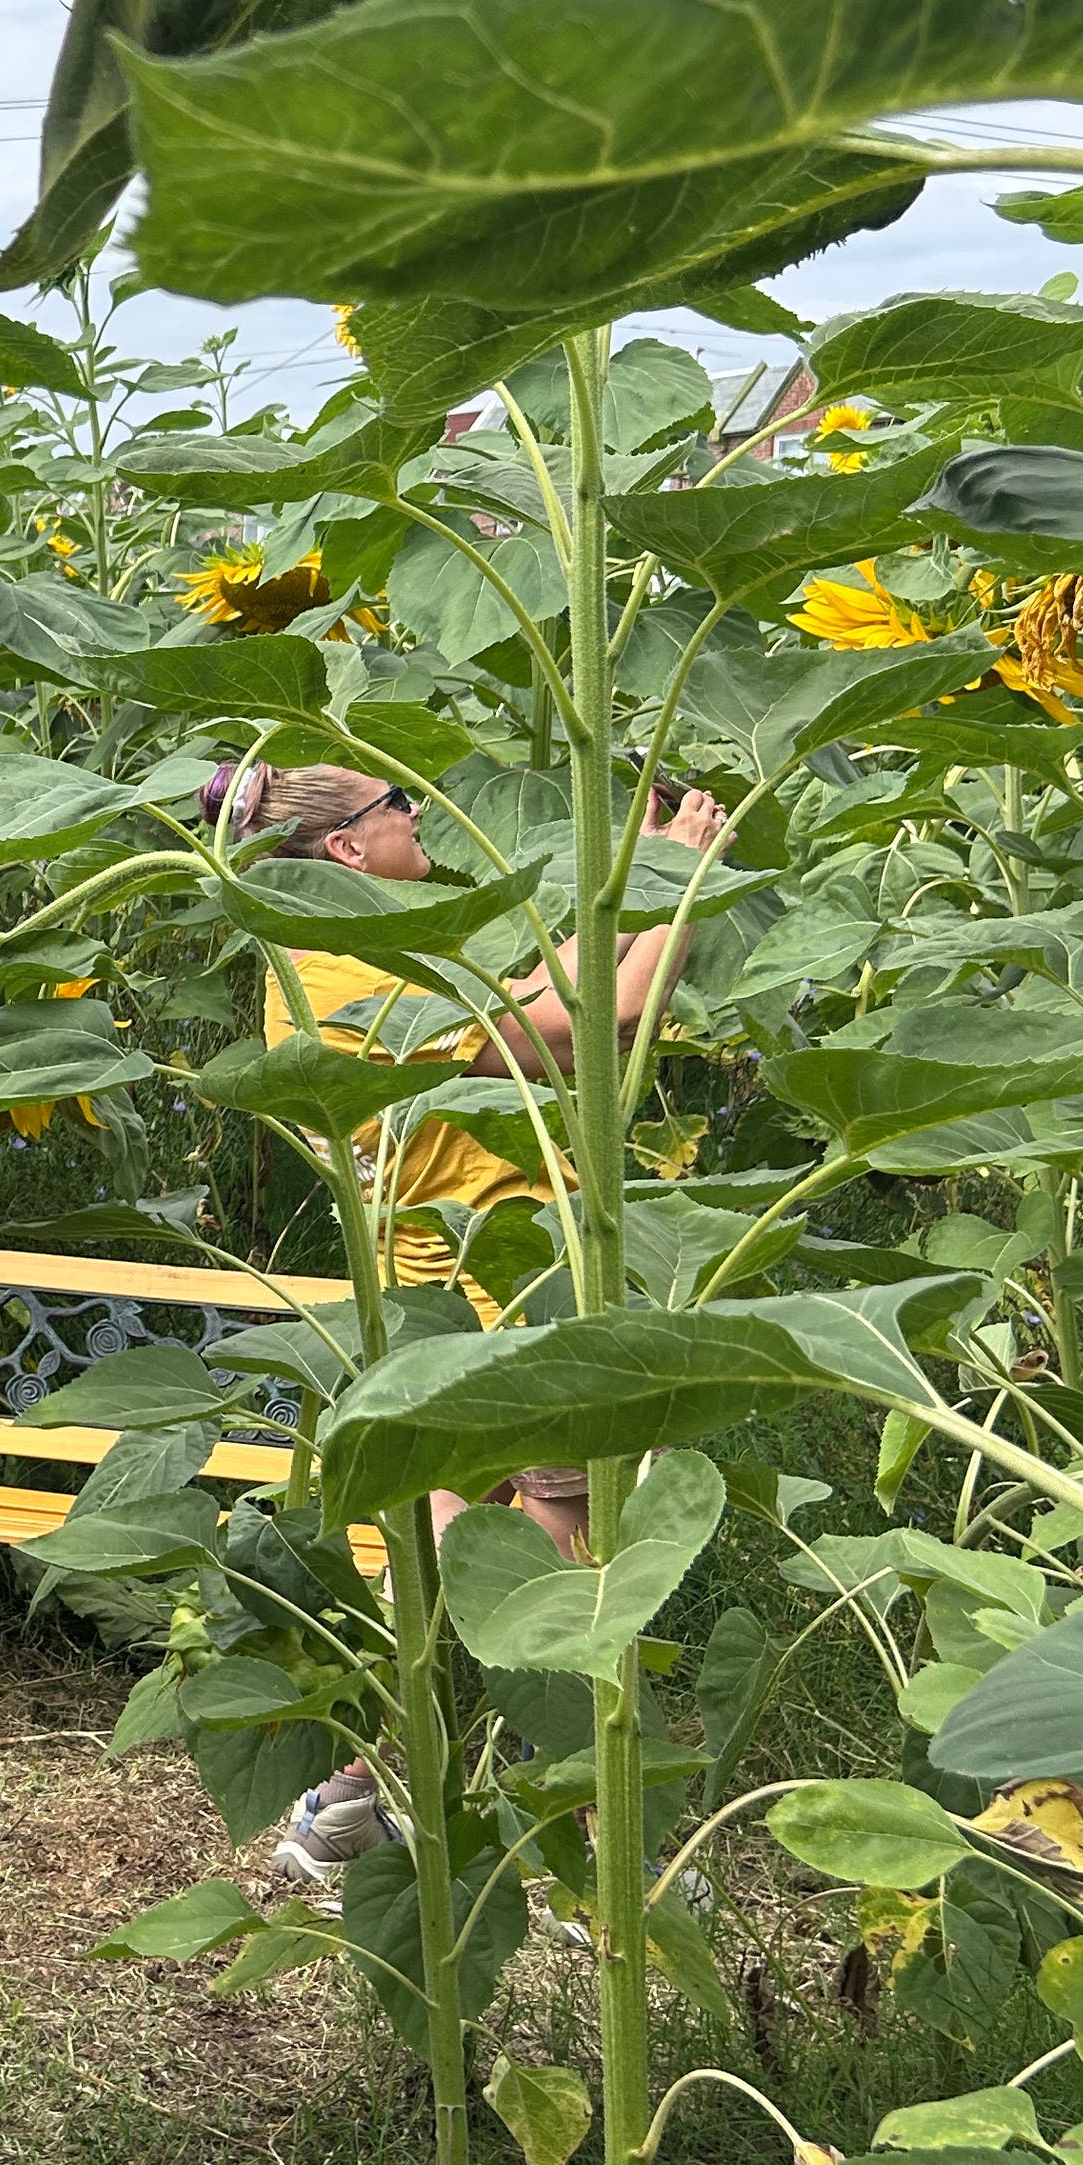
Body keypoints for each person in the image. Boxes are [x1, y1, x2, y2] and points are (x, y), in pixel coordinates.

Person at [198, 758, 727, 1886]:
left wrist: (627, 874)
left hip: (428, 1304)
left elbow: (537, 986)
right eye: (401, 809)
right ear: (345, 850)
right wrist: (686, 878)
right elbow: (598, 1023)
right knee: (582, 1564)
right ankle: (599, 1857)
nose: (421, 813)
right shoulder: (353, 976)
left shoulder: (338, 952)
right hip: (513, 1288)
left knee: (444, 1583)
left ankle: (356, 1802)